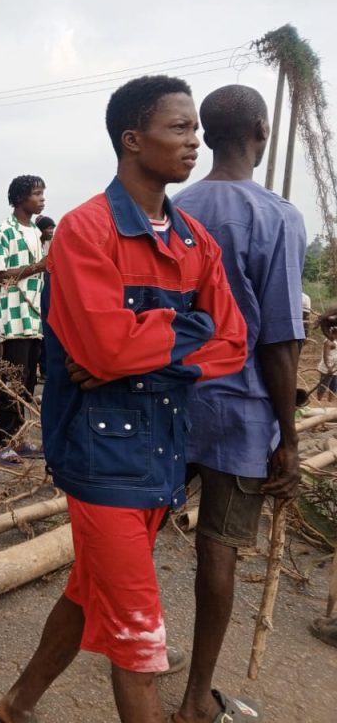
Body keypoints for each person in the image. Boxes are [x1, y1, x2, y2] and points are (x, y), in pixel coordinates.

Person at [0, 76, 247, 723]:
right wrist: (188, 330)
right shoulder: (86, 231)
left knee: (88, 593)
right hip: (100, 459)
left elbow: (233, 341)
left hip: (163, 456)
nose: (195, 141)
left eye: (196, 129)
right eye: (180, 128)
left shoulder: (194, 240)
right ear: (133, 140)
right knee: (139, 642)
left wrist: (144, 349)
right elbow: (106, 349)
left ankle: (16, 705)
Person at [171, 84, 305, 723]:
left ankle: (135, 646)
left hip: (170, 402)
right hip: (240, 413)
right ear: (261, 132)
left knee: (135, 530)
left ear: (207, 134)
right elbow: (279, 340)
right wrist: (291, 438)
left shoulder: (174, 207)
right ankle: (197, 699)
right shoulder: (277, 216)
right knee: (219, 548)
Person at [0, 175, 47, 467]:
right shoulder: (3, 231)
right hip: (14, 318)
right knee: (12, 381)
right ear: (21, 198)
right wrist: (37, 267)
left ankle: (19, 439)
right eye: (37, 194)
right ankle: (2, 442)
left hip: (33, 318)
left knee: (27, 382)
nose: (42, 199)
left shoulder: (34, 231)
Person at [317, 325, 337, 402]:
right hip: (328, 368)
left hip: (335, 368)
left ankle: (330, 402)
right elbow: (325, 356)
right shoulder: (328, 342)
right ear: (333, 333)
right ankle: (319, 401)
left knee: (334, 387)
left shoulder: (335, 341)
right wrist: (329, 367)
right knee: (323, 386)